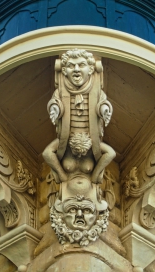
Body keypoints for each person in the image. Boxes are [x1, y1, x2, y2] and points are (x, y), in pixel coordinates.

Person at [43, 49, 115, 184]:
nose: (76, 69)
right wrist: (54, 109)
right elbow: (56, 102)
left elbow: (102, 102)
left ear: (91, 69)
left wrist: (105, 110)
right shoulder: (61, 90)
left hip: (90, 138)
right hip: (67, 137)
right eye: (71, 66)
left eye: (81, 65)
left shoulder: (96, 89)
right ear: (64, 71)